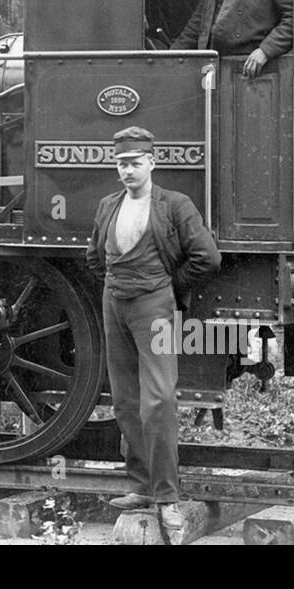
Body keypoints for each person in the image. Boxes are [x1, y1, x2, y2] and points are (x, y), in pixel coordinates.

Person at [85, 127, 221, 532]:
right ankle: (142, 486)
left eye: (135, 162)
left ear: (152, 162)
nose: (128, 170)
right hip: (115, 304)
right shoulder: (109, 204)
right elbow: (94, 256)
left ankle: (168, 496)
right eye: (121, 163)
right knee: (125, 400)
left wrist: (168, 287)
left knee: (159, 400)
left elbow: (208, 257)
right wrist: (115, 286)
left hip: (155, 308)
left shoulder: (174, 205)